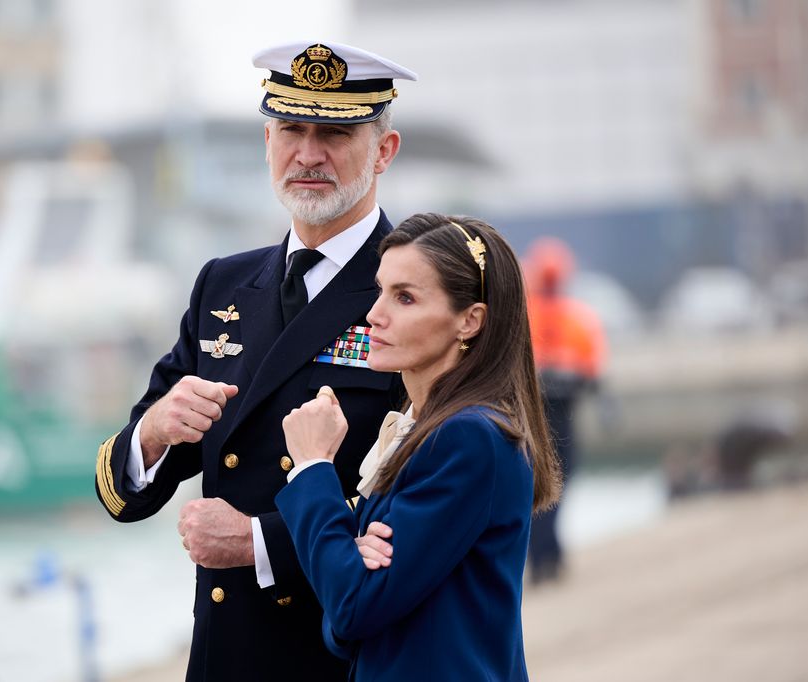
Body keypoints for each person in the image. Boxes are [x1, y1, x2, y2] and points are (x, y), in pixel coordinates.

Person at [93, 41, 416, 681]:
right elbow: (124, 496)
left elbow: (425, 512)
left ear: (384, 151)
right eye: (290, 128)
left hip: (343, 656)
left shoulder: (416, 289)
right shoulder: (223, 286)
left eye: (334, 133)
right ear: (267, 140)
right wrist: (155, 432)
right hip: (227, 655)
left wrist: (258, 545)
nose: (308, 154)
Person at [277, 213, 562, 681]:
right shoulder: (429, 429)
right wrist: (351, 566)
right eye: (381, 290)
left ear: (470, 320)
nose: (374, 314)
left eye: (404, 297)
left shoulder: (469, 437)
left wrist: (312, 467)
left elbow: (351, 607)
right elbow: (345, 627)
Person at [523, 237, 606, 584]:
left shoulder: (532, 314)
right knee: (551, 485)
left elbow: (592, 371)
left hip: (539, 412)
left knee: (540, 487)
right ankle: (548, 556)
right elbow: (593, 374)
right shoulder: (576, 317)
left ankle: (547, 555)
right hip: (549, 412)